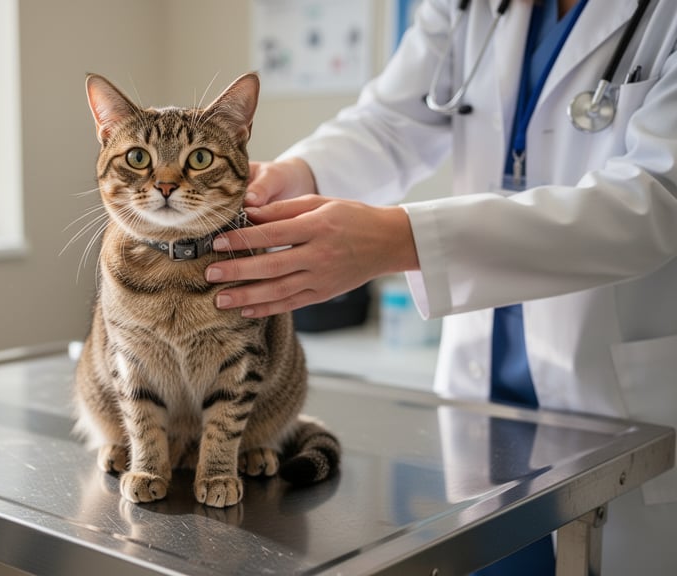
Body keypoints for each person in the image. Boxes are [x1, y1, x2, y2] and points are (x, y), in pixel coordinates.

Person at [205, 0, 677, 574]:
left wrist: (400, 238)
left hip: (615, 401)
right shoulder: (464, 6)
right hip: (480, 405)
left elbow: (654, 196)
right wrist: (295, 176)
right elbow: (388, 122)